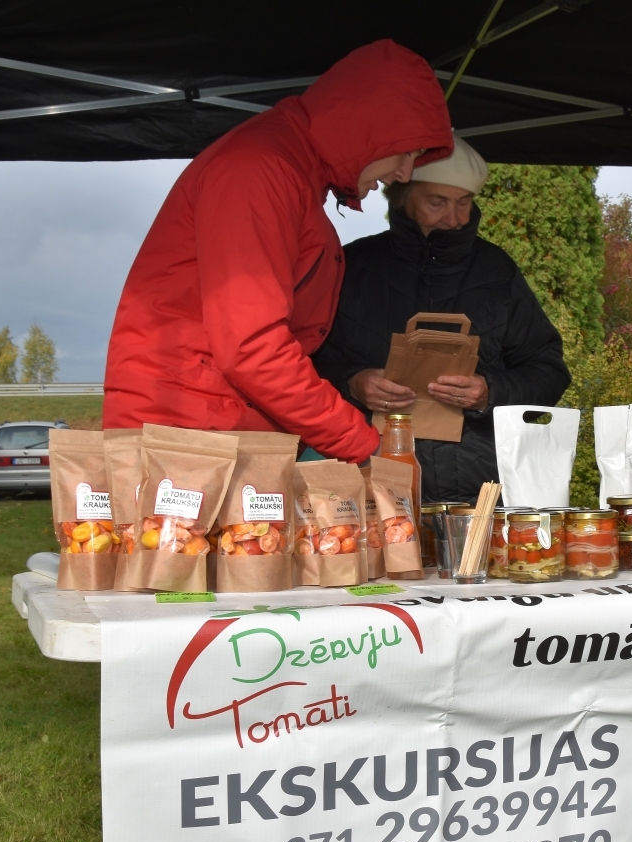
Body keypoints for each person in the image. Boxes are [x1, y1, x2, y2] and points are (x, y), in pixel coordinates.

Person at [101, 40, 453, 464]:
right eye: (405, 151)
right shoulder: (260, 169)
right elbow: (253, 348)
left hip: (217, 428)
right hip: (189, 435)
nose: (404, 173)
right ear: (366, 127)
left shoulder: (292, 174)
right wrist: (363, 447)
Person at [313, 137, 570, 502]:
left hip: (476, 493)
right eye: (437, 202)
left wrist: (489, 392)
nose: (454, 218)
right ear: (401, 196)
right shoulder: (353, 266)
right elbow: (301, 363)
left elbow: (549, 371)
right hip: (366, 482)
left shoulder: (496, 272)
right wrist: (353, 382)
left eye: (464, 202)